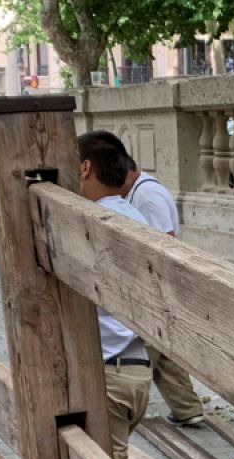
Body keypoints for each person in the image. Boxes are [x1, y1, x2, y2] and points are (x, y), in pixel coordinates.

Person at [94, 130, 206, 428]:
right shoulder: (140, 194)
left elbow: (162, 245)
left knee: (154, 354)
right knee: (164, 359)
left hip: (155, 293)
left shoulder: (147, 196)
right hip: (155, 294)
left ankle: (182, 407)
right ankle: (187, 408)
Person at [76, 131, 156, 459]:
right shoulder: (135, 217)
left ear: (84, 168)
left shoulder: (90, 222)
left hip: (109, 373)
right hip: (136, 371)